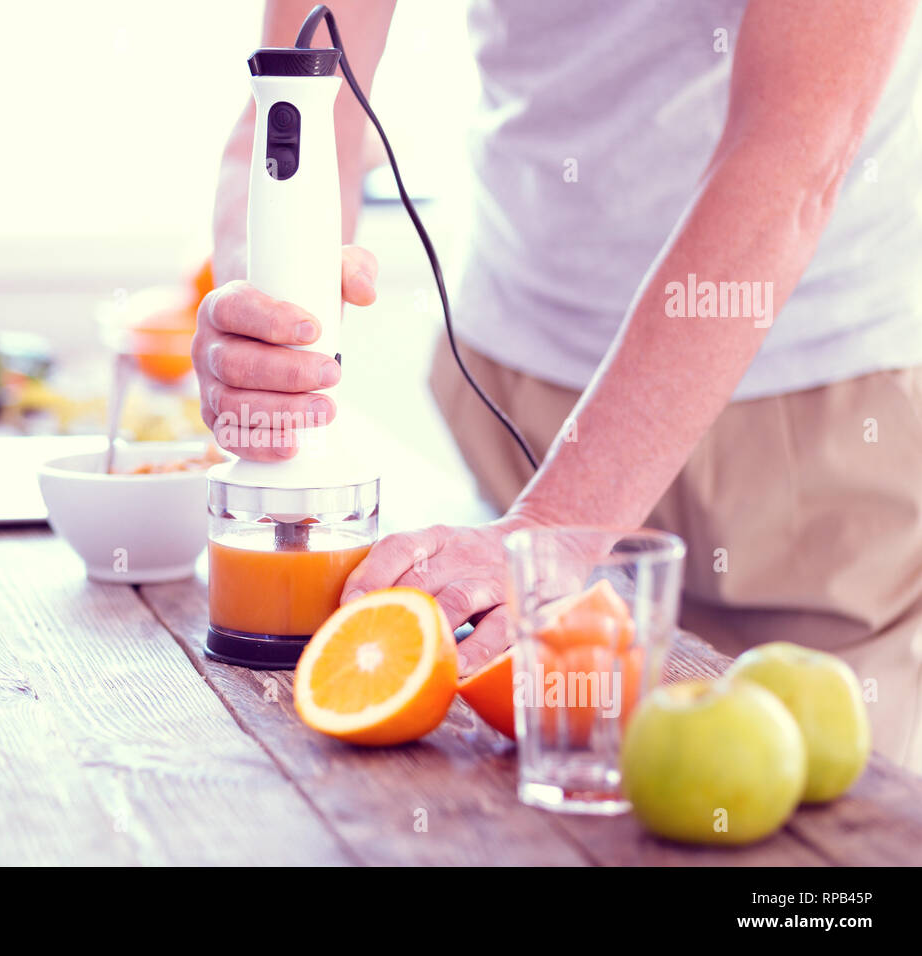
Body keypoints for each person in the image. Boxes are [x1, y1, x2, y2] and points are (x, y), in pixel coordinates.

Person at [192, 0, 922, 770]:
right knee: (532, 802)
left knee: (805, 820)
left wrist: (562, 518)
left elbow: (793, 150)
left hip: (813, 426)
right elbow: (301, 106)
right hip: (519, 392)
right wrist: (258, 318)